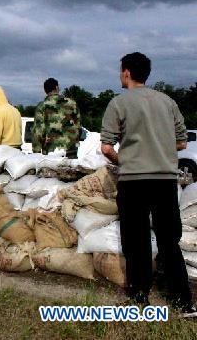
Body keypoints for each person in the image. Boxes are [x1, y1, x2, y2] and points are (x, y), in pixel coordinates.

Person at [100, 52, 196, 317]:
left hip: (134, 180)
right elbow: (181, 142)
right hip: (165, 181)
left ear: (127, 72)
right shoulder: (167, 101)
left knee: (136, 239)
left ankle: (139, 296)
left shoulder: (118, 103)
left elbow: (106, 148)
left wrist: (125, 159)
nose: (121, 75)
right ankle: (183, 301)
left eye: (121, 71)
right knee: (169, 240)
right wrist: (159, 149)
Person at [32, 78, 80, 158]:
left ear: (45, 91)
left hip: (51, 152)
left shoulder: (42, 106)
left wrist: (36, 153)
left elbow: (38, 132)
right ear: (57, 87)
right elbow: (78, 126)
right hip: (71, 150)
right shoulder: (72, 104)